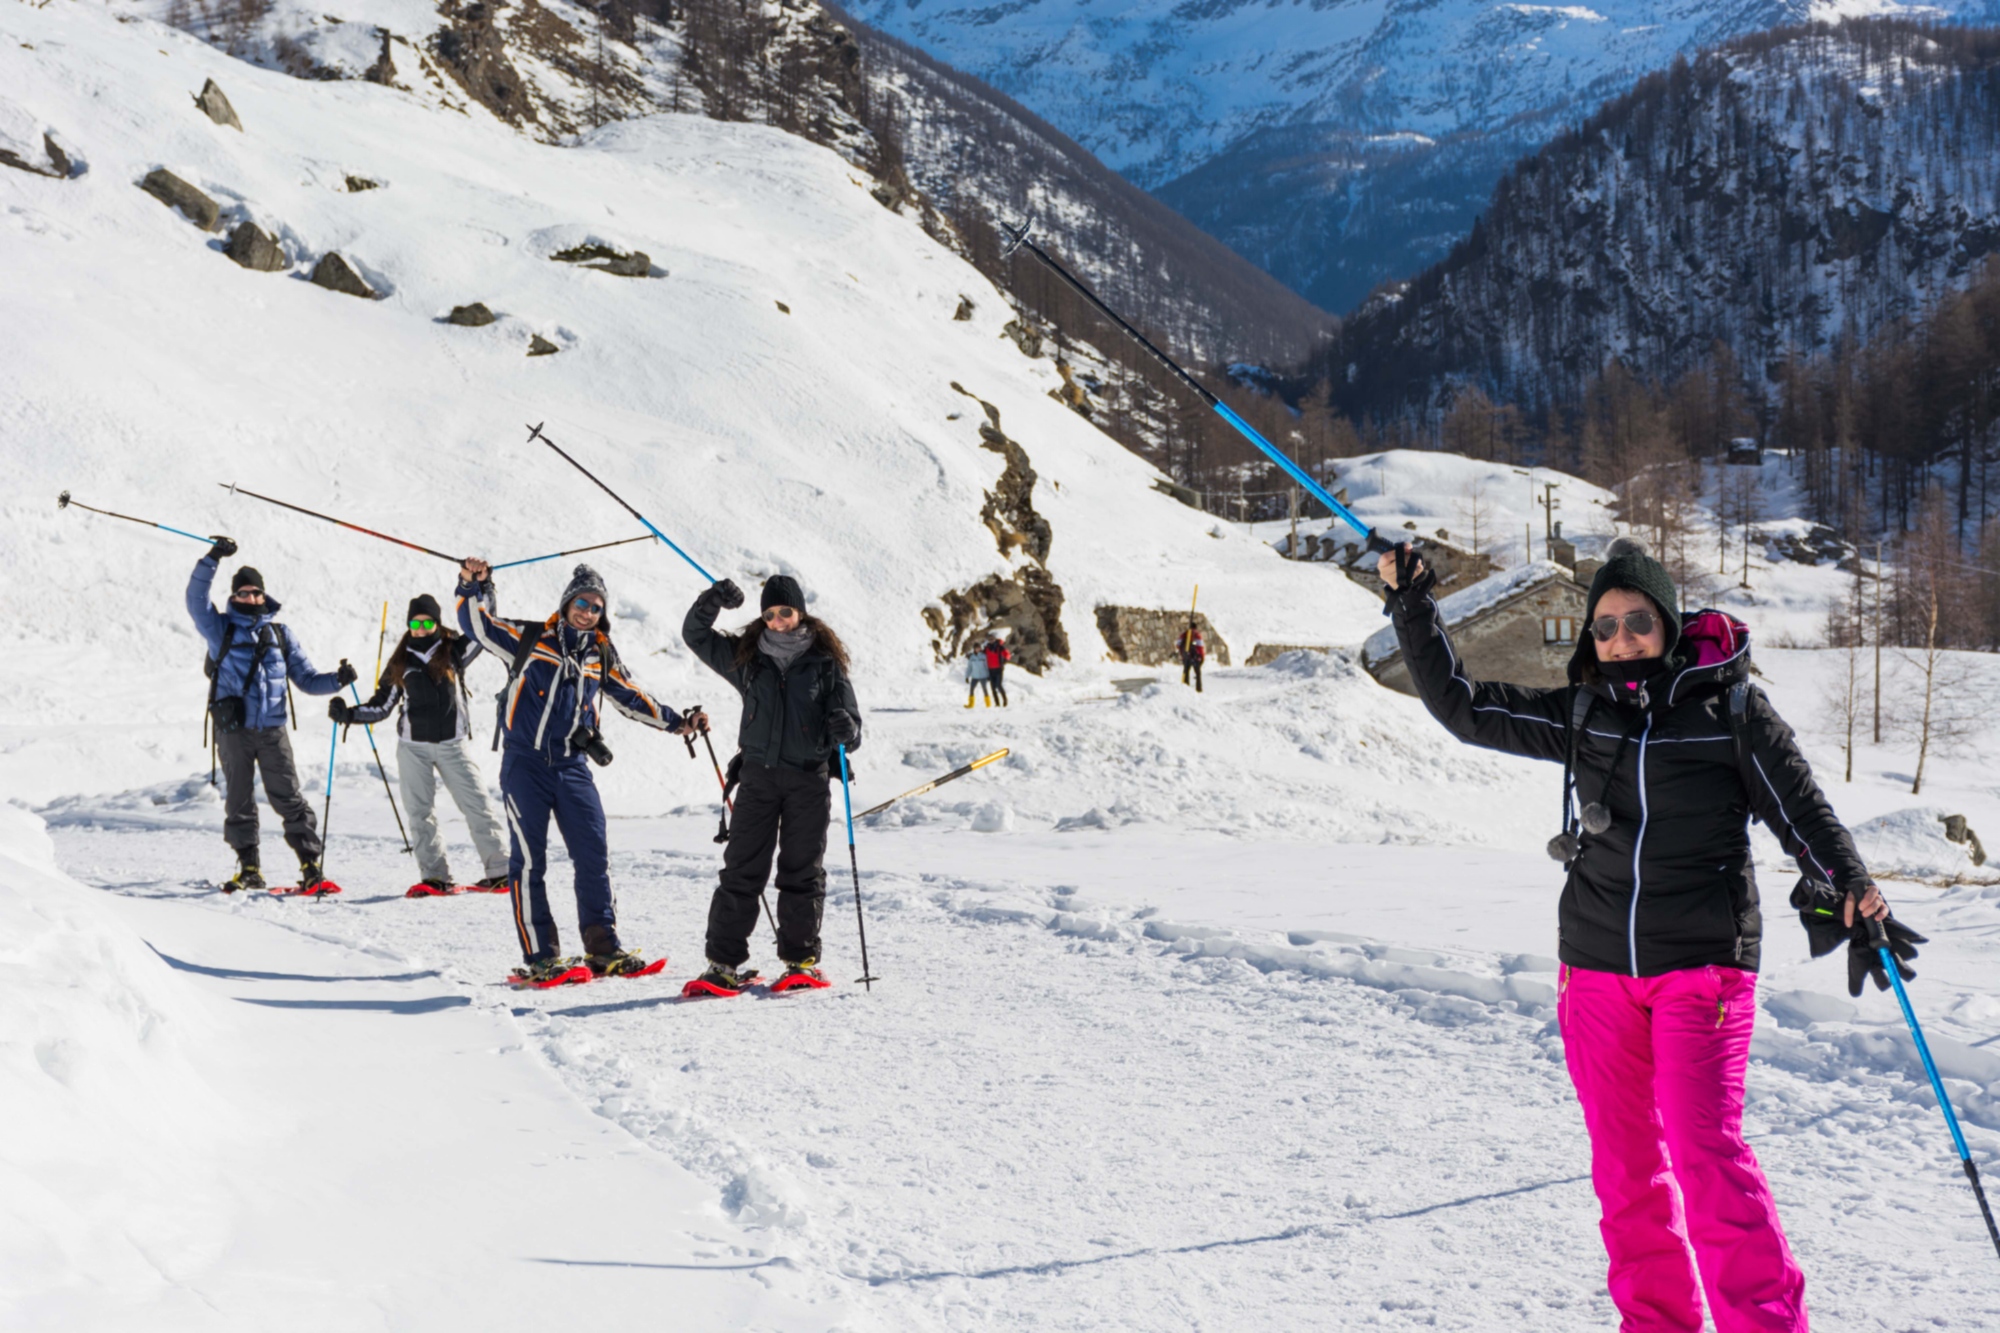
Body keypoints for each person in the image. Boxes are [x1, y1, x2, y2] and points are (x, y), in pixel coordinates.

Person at [1377, 535, 1923, 1333]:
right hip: (1595, 969)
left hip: (1700, 968)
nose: (1621, 638)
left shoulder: (1730, 711)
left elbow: (1803, 815)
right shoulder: (1583, 713)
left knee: (1707, 1160)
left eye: (1637, 620)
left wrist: (1851, 887)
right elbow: (1461, 707)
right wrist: (1412, 602)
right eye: (1604, 627)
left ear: (1667, 621)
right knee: (1627, 1171)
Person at [456, 559, 697, 980]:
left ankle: (604, 949)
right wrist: (472, 585)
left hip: (572, 768)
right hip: (524, 765)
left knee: (592, 854)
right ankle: (541, 956)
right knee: (530, 861)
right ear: (567, 603)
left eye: (596, 606)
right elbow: (476, 626)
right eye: (582, 602)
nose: (588, 611)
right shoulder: (530, 638)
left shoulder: (599, 653)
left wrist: (679, 722)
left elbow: (632, 696)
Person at [682, 574, 862, 996]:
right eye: (769, 614)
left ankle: (800, 962)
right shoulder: (747, 658)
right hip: (759, 780)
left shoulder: (825, 661)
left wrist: (846, 728)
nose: (777, 620)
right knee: (742, 870)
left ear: (799, 612)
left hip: (808, 780)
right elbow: (695, 634)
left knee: (802, 872)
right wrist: (713, 600)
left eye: (784, 612)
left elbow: (852, 730)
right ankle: (723, 964)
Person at [187, 539, 355, 892]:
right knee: (240, 799)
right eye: (243, 593)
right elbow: (195, 601)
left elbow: (307, 679)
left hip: (273, 730)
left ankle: (311, 866)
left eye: (256, 592)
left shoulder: (280, 633)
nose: (250, 598)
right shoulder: (221, 630)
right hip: (234, 730)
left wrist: (336, 681)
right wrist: (212, 558)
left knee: (288, 797)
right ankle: (249, 868)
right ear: (234, 597)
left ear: (264, 596)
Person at [332, 594, 509, 895]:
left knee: (477, 805)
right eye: (416, 622)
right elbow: (382, 706)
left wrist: (485, 589)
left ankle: (501, 871)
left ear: (437, 624)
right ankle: (435, 876)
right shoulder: (401, 660)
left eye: (428, 622)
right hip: (412, 748)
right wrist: (348, 714)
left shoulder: (454, 650)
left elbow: (483, 629)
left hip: (453, 745)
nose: (421, 627)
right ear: (409, 625)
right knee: (420, 813)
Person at [983, 634, 1012, 707]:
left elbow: (1007, 654)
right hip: (990, 670)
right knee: (992, 688)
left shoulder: (1000, 647)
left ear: (995, 639)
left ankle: (1005, 700)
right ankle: (997, 703)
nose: (991, 640)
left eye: (992, 639)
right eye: (990, 639)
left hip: (998, 669)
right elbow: (981, 655)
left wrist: (1005, 660)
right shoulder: (987, 648)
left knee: (999, 685)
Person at [1179, 621, 1206, 692]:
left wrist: (1183, 653)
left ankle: (1185, 688)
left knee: (1186, 672)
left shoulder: (1185, 634)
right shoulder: (1197, 634)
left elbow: (1178, 644)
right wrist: (1202, 657)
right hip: (1196, 657)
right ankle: (1198, 689)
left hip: (1186, 656)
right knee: (1198, 674)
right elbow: (1200, 646)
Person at [965, 644, 991, 708]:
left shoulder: (984, 656)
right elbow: (969, 667)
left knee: (984, 689)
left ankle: (988, 704)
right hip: (975, 676)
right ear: (974, 649)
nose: (978, 649)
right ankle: (971, 704)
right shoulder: (972, 657)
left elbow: (987, 666)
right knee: (971, 689)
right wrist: (967, 676)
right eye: (976, 648)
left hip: (983, 676)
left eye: (979, 648)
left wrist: (989, 675)